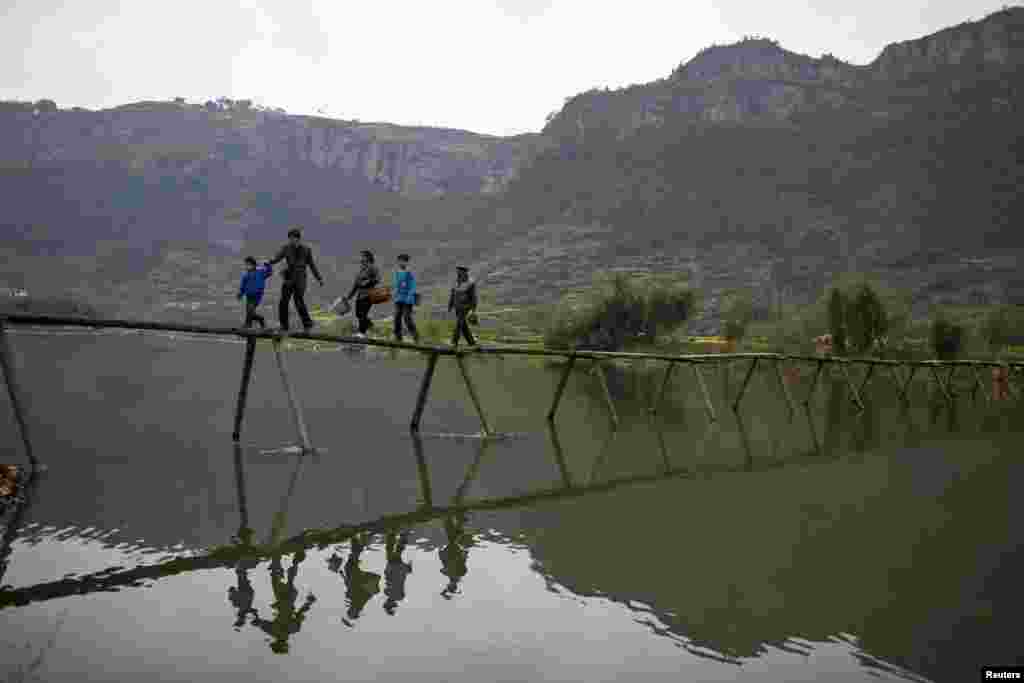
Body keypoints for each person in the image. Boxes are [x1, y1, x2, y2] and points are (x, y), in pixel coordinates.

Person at [267, 227, 324, 333]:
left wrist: (319, 278)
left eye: (293, 238)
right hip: (288, 278)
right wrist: (270, 262)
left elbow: (312, 265)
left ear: (298, 238)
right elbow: (277, 257)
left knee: (298, 302)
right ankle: (284, 326)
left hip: (300, 280)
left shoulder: (306, 250)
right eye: (290, 238)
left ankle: (308, 324)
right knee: (283, 302)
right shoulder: (286, 248)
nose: (291, 240)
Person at [344, 250, 381, 338]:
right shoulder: (361, 270)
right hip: (360, 296)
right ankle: (370, 326)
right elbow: (355, 285)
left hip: (369, 295)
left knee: (362, 314)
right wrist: (348, 297)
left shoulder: (372, 267)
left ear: (368, 258)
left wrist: (368, 281)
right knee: (358, 314)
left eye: (362, 256)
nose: (360, 258)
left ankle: (361, 333)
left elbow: (378, 278)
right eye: (361, 257)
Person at [237, 257, 273, 329]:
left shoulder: (260, 272)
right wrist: (240, 294)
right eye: (246, 265)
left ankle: (247, 325)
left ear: (253, 265)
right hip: (249, 296)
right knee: (250, 312)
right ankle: (258, 320)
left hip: (257, 295)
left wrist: (268, 265)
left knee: (250, 310)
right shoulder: (246, 275)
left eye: (248, 265)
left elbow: (269, 273)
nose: (247, 266)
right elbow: (243, 286)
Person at [447, 266, 478, 347]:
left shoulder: (470, 283)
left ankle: (454, 342)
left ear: (464, 271)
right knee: (463, 326)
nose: (457, 272)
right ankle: (471, 342)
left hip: (465, 307)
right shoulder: (455, 282)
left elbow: (473, 297)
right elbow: (452, 295)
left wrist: (473, 310)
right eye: (457, 270)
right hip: (457, 307)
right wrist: (450, 306)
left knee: (459, 324)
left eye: (459, 270)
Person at [383, 530, 412, 615]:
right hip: (395, 569)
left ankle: (401, 535)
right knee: (392, 551)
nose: (385, 601)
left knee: (397, 552)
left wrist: (407, 570)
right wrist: (387, 570)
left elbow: (397, 582)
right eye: (386, 604)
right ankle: (394, 533)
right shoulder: (390, 593)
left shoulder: (398, 596)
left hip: (400, 569)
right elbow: (391, 581)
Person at [392, 254, 420, 343]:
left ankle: (415, 336)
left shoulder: (409, 273)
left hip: (408, 299)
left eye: (403, 261)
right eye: (400, 261)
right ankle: (398, 337)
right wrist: (394, 293)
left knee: (407, 317)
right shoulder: (397, 272)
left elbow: (413, 286)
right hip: (398, 299)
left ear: (406, 262)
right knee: (397, 317)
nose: (401, 263)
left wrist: (409, 297)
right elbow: (396, 285)